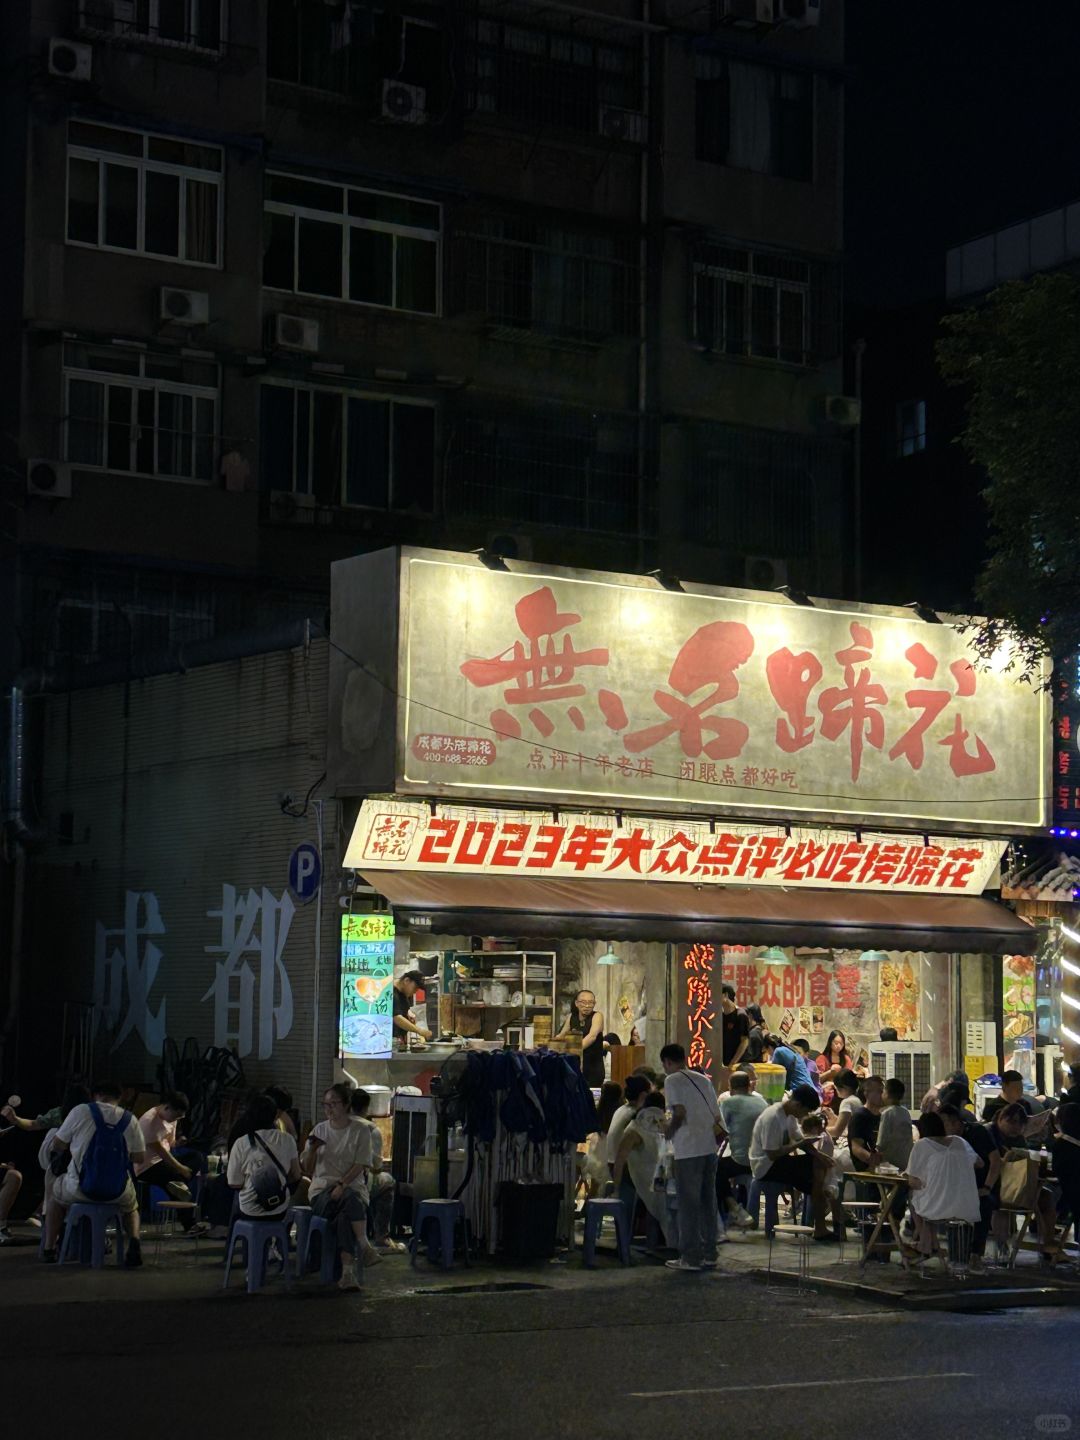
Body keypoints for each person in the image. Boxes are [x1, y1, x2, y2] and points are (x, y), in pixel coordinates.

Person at [44, 1080, 146, 1268]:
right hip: (116, 1193)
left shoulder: (81, 1111)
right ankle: (134, 1243)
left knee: (54, 1197)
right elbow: (140, 1157)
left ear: (95, 1095)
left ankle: (49, 1248)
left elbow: (58, 1144)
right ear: (119, 1098)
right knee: (132, 1207)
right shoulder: (130, 1118)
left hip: (79, 1190)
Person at [303, 1083, 379, 1290]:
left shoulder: (361, 1131)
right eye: (325, 1104)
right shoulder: (319, 1130)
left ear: (346, 1105)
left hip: (350, 1190)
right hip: (321, 1194)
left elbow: (361, 1163)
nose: (328, 1109)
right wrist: (312, 1150)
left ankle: (347, 1275)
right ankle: (364, 1245)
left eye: (334, 1104)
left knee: (345, 1215)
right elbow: (307, 1169)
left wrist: (341, 1184)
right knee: (349, 1201)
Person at [659, 1042, 721, 1272]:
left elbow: (679, 1112)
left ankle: (690, 1257)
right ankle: (709, 1253)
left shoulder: (672, 1080)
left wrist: (668, 1129)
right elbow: (716, 1115)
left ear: (667, 1061)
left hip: (688, 1149)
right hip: (708, 1148)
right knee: (707, 1202)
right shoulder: (703, 1079)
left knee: (688, 1204)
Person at [747, 1083, 834, 1241]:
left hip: (780, 1161)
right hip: (766, 1166)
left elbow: (801, 1139)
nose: (805, 1115)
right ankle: (820, 1223)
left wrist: (819, 1155)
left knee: (818, 1164)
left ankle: (819, 1204)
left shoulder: (790, 1116)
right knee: (816, 1171)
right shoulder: (773, 1117)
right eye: (806, 1111)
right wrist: (800, 1146)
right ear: (798, 1105)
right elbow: (772, 1154)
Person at [903, 1111, 981, 1267]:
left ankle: (925, 1243)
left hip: (936, 1207)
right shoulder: (959, 1141)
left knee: (914, 1196)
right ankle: (928, 1244)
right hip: (965, 1206)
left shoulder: (922, 1145)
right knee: (929, 1196)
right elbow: (979, 1163)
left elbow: (913, 1181)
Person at [134, 1091, 208, 1235]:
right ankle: (189, 1225)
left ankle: (178, 1184)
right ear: (167, 1107)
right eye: (176, 1116)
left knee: (197, 1157)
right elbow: (160, 1151)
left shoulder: (171, 1118)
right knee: (175, 1177)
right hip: (147, 1166)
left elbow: (169, 1144)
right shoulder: (148, 1121)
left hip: (165, 1160)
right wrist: (180, 1168)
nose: (177, 1119)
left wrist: (178, 1143)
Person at [226, 1092, 301, 1224]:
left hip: (250, 1209)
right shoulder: (288, 1139)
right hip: (280, 1207)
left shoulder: (242, 1142)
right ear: (275, 1115)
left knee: (235, 1201)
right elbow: (296, 1175)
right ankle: (279, 1240)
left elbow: (234, 1182)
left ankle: (236, 1239)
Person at [350, 1088, 406, 1253]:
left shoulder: (338, 1124)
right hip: (359, 1183)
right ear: (367, 1107)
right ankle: (382, 1236)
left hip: (335, 1182)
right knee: (387, 1181)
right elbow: (375, 1167)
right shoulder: (371, 1129)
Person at [612, 1093, 671, 1244]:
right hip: (664, 1179)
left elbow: (620, 1159)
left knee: (630, 1189)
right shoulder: (666, 1124)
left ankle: (627, 1238)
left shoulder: (635, 1127)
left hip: (640, 1180)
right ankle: (661, 1240)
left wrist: (615, 1188)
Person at [716, 1070, 766, 1225]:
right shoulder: (762, 1101)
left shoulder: (729, 1102)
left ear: (731, 1087)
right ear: (748, 1085)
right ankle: (741, 1210)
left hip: (743, 1162)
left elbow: (720, 1130)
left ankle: (732, 1209)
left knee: (714, 1169)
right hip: (763, 1161)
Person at [557, 990, 605, 1089]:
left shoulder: (597, 1016)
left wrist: (574, 1050)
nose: (587, 1006)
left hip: (593, 1067)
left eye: (590, 1003)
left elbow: (592, 1037)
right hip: (575, 1066)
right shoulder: (571, 1017)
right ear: (576, 1003)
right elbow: (561, 1035)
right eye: (583, 1002)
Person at [878, 1078, 915, 1171]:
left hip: (891, 1163)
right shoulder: (905, 1112)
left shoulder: (887, 1113)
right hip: (906, 1160)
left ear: (887, 1094)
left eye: (883, 1091)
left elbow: (881, 1142)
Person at [393, 970, 432, 1043]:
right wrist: (419, 1030)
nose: (415, 991)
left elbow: (404, 1010)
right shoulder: (391, 993)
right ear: (406, 980)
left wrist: (409, 1014)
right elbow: (397, 1018)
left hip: (400, 1040)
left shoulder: (403, 994)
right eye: (415, 987)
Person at [719, 984, 750, 1068]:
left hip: (738, 1065)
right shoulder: (720, 1015)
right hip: (725, 1063)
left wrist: (732, 1063)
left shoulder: (740, 1015)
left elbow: (744, 1041)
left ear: (725, 995)